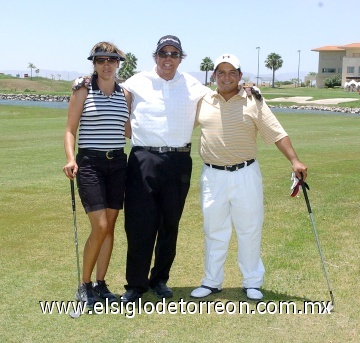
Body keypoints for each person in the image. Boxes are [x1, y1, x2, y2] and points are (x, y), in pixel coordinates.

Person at [190, 54, 307, 301]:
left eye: (232, 72)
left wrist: (294, 160)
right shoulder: (203, 100)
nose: (226, 77)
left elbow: (276, 132)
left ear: (240, 76)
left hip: (245, 174)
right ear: (214, 76)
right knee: (214, 230)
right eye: (221, 72)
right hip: (212, 176)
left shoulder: (253, 100)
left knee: (249, 229)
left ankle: (252, 281)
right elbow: (178, 124)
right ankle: (211, 281)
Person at [120, 35, 209, 303]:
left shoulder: (194, 85)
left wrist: (247, 89)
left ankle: (160, 279)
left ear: (181, 57)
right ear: (155, 56)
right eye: (163, 53)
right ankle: (136, 284)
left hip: (179, 161)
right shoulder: (136, 82)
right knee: (139, 224)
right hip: (143, 158)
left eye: (174, 54)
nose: (168, 58)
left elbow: (217, 105)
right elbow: (121, 113)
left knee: (169, 224)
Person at [63, 42, 130, 307]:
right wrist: (70, 158)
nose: (106, 65)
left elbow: (128, 131)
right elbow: (70, 130)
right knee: (100, 226)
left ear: (117, 64)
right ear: (94, 64)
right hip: (90, 164)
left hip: (118, 165)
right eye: (100, 61)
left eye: (111, 61)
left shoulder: (124, 94)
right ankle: (84, 285)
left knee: (110, 228)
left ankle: (101, 284)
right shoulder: (83, 90)